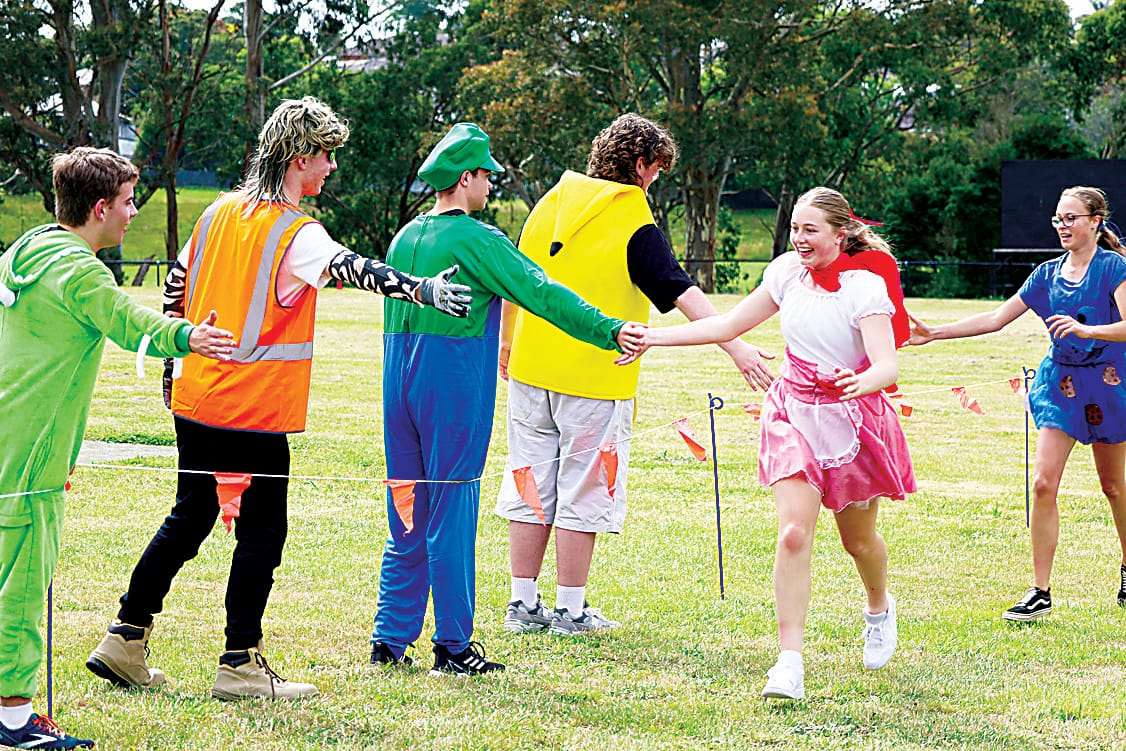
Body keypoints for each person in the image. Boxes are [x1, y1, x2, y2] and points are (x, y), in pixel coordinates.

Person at [86, 97, 473, 701]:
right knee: (262, 535)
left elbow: (176, 283)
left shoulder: (217, 213)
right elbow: (358, 270)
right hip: (254, 409)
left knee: (189, 517)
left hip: (197, 397)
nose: (331, 168)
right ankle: (239, 662)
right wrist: (423, 289)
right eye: (325, 155)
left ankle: (125, 636)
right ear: (298, 157)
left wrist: (171, 371)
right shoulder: (296, 232)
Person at [368, 122, 645, 675]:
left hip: (398, 383)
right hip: (452, 387)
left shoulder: (405, 236)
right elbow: (541, 293)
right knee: (452, 508)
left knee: (406, 508)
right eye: (486, 176)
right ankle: (453, 645)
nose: (492, 185)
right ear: (464, 178)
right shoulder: (480, 240)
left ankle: (390, 640)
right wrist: (608, 329)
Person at [621, 186, 915, 700]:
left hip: (852, 417)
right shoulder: (785, 274)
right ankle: (789, 662)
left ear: (839, 234)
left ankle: (878, 607)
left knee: (857, 541)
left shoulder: (865, 288)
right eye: (795, 228)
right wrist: (652, 337)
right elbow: (730, 324)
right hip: (793, 412)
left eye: (810, 230)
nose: (799, 239)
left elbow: (887, 364)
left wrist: (857, 382)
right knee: (794, 535)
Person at [494, 113, 776, 636]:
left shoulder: (546, 206)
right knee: (585, 487)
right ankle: (572, 611)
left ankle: (523, 605)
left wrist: (508, 344)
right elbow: (681, 291)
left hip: (532, 370)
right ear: (640, 165)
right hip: (597, 379)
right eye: (656, 171)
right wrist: (736, 348)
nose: (655, 181)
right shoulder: (632, 222)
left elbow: (516, 278)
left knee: (531, 481)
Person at [0, 147, 236, 750]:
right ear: (100, 208)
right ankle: (13, 722)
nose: (133, 214)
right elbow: (131, 324)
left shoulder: (25, 254)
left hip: (8, 443)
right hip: (29, 458)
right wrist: (191, 336)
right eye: (129, 202)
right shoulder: (82, 272)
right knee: (23, 585)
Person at [911, 186, 1126, 622]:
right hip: (1061, 385)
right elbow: (994, 319)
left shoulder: (1113, 268)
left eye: (1071, 218)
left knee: (1114, 487)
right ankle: (1040, 592)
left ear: (1095, 221)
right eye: (1058, 219)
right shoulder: (1046, 274)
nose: (1063, 226)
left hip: (1109, 382)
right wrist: (935, 332)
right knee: (1044, 484)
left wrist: (1088, 332)